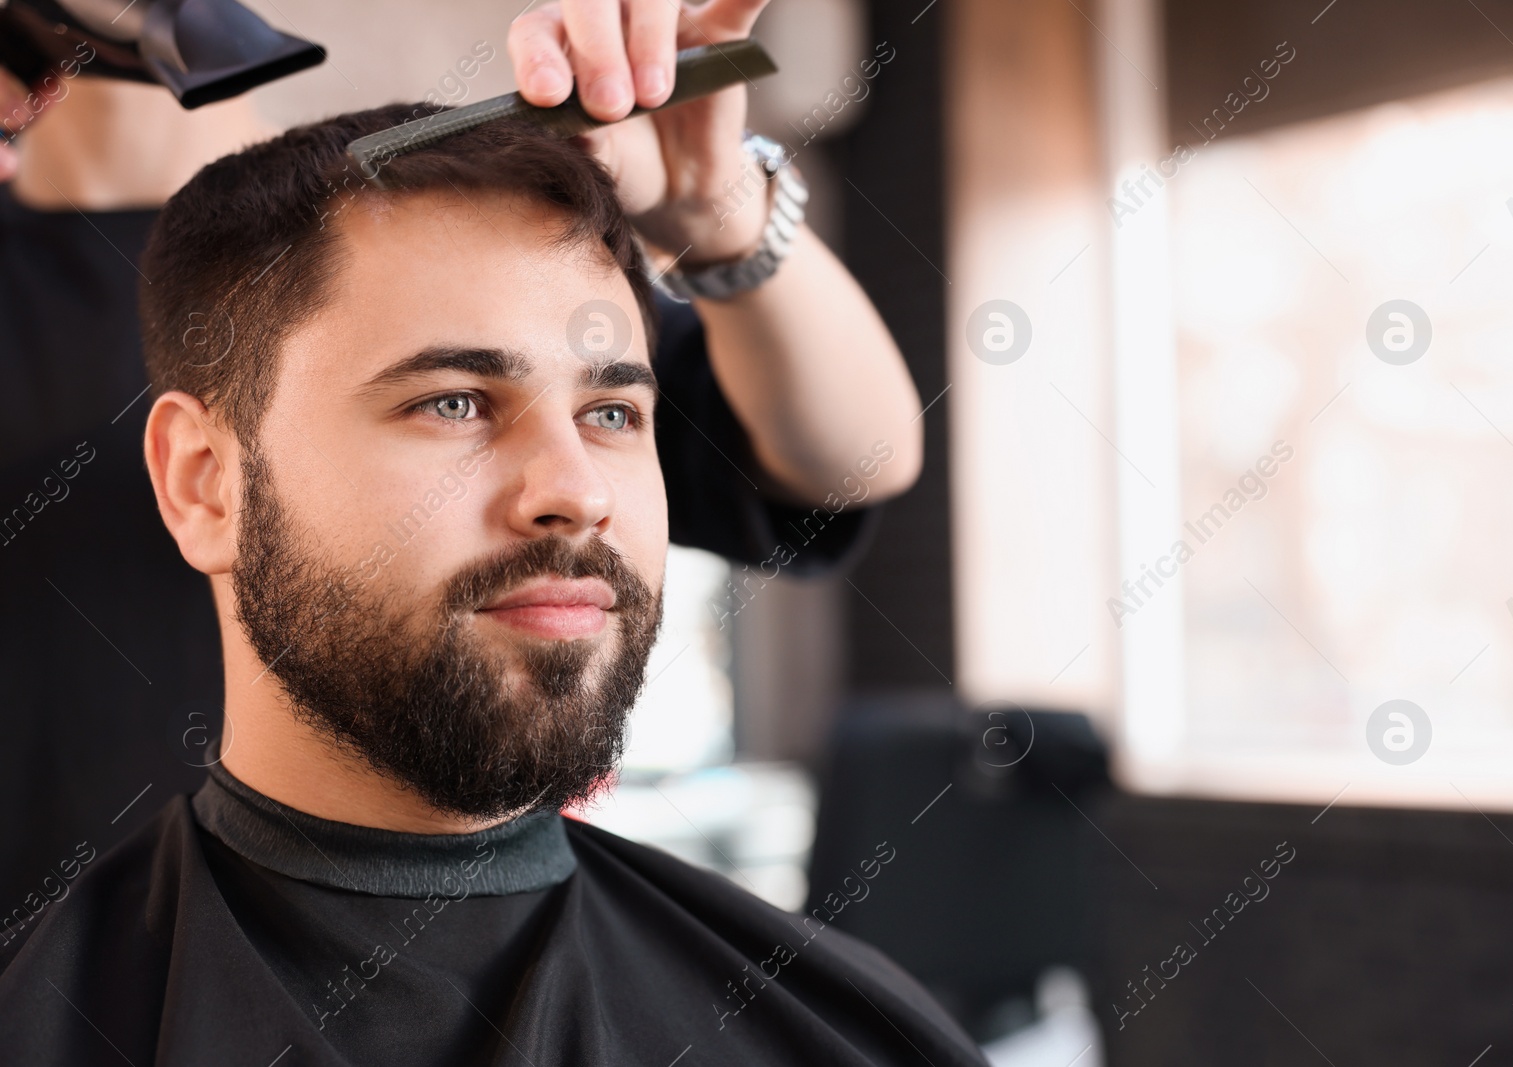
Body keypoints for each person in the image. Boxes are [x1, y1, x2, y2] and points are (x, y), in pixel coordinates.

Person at [0, 99, 980, 1066]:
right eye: (455, 401)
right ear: (204, 481)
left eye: (610, 414)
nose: (575, 492)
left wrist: (720, 208)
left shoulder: (848, 1029)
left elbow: (858, 457)